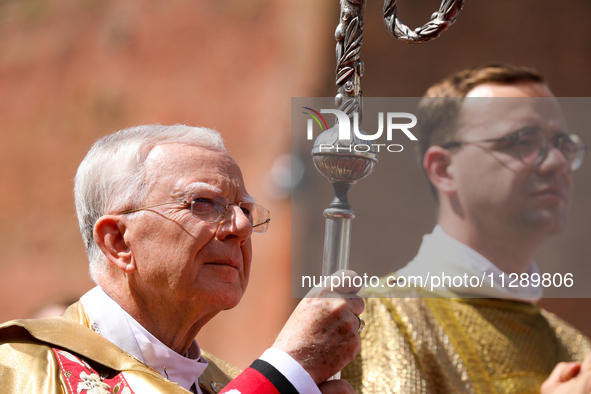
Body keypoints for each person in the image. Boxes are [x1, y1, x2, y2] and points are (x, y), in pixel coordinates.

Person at [0, 125, 364, 394]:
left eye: (245, 209)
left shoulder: (224, 383)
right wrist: (286, 372)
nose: (241, 226)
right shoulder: (20, 371)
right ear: (118, 241)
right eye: (203, 203)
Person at [341, 64, 590, 393]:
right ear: (444, 169)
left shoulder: (575, 349)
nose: (557, 162)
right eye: (525, 141)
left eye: (564, 145)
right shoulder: (376, 320)